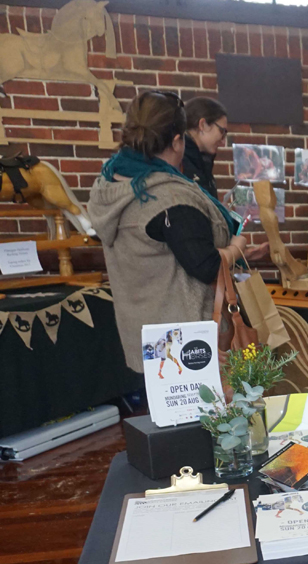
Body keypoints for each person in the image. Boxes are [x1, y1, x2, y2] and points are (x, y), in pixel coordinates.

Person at [89, 91, 266, 373]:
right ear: (175, 141)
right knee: (204, 418)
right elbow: (206, 266)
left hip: (149, 340)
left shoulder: (113, 185)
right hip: (188, 349)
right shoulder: (171, 199)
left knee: (164, 416)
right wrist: (237, 245)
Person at [181, 97, 227, 200]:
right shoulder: (181, 164)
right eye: (222, 131)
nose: (223, 142)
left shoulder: (201, 160)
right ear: (202, 125)